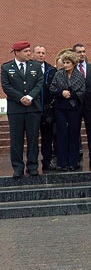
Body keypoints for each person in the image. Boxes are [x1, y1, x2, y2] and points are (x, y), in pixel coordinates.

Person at [1, 41, 44, 178]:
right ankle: (18, 167)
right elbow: (6, 86)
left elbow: (39, 83)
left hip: (33, 108)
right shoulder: (6, 67)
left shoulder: (36, 66)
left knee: (32, 139)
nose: (29, 54)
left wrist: (30, 97)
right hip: (16, 109)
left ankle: (32, 166)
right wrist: (21, 98)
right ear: (16, 53)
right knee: (16, 140)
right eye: (25, 51)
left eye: (29, 51)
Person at [49, 50, 85, 171]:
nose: (65, 65)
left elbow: (82, 91)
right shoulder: (59, 74)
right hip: (60, 108)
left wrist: (71, 94)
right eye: (64, 62)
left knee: (74, 134)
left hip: (74, 108)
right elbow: (52, 88)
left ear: (73, 63)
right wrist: (61, 93)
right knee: (61, 134)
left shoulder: (79, 75)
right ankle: (62, 162)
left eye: (68, 62)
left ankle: (73, 162)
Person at [73, 43, 91, 168]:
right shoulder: (71, 68)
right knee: (75, 132)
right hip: (75, 105)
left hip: (89, 106)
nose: (82, 54)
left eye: (83, 51)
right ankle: (76, 157)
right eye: (79, 52)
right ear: (74, 54)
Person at [33, 45, 57, 171]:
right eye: (38, 52)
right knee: (32, 138)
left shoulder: (51, 70)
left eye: (43, 52)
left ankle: (47, 161)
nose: (41, 55)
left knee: (47, 137)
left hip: (47, 109)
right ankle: (32, 163)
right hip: (32, 109)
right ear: (33, 54)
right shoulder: (28, 68)